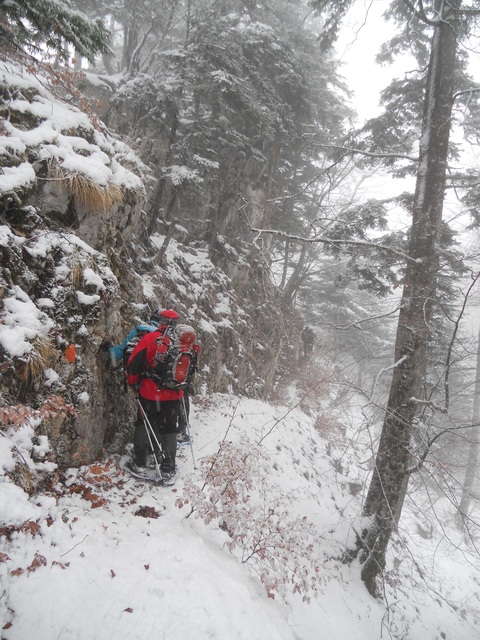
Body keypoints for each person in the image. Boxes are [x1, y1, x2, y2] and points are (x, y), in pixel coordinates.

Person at [125, 309, 183, 484]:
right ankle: (168, 467)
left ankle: (140, 462)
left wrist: (133, 383)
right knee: (170, 429)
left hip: (150, 393)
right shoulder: (184, 342)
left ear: (161, 322)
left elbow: (133, 364)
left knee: (144, 424)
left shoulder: (151, 338)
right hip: (174, 394)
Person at [177, 341, 201, 444]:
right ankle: (181, 432)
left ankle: (166, 434)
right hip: (183, 384)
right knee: (183, 406)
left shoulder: (167, 344)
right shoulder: (190, 349)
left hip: (166, 384)